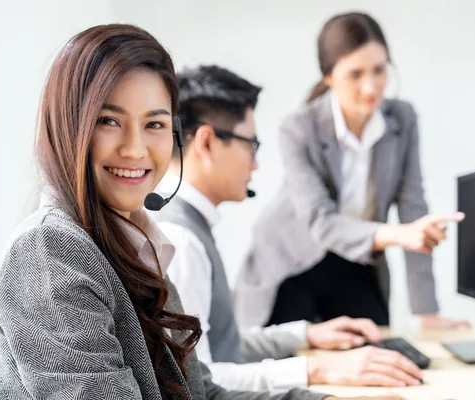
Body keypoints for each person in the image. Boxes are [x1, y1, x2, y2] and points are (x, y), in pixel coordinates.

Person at [0, 24, 394, 400]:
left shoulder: (135, 244)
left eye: (154, 125)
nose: (136, 149)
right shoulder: (49, 252)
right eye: (109, 121)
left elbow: (201, 392)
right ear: (68, 126)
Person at [153, 65, 424, 392]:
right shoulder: (182, 241)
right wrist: (319, 368)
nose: (256, 164)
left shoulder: (187, 225)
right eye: (250, 145)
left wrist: (305, 334)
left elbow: (221, 343)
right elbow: (199, 380)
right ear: (207, 142)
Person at [234, 12, 469, 330]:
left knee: (378, 348)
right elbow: (321, 222)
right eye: (355, 74)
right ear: (329, 76)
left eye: (379, 70)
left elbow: (414, 212)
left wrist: (428, 314)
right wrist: (398, 235)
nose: (370, 86)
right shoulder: (298, 128)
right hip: (291, 263)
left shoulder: (402, 119)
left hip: (356, 259)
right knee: (294, 359)